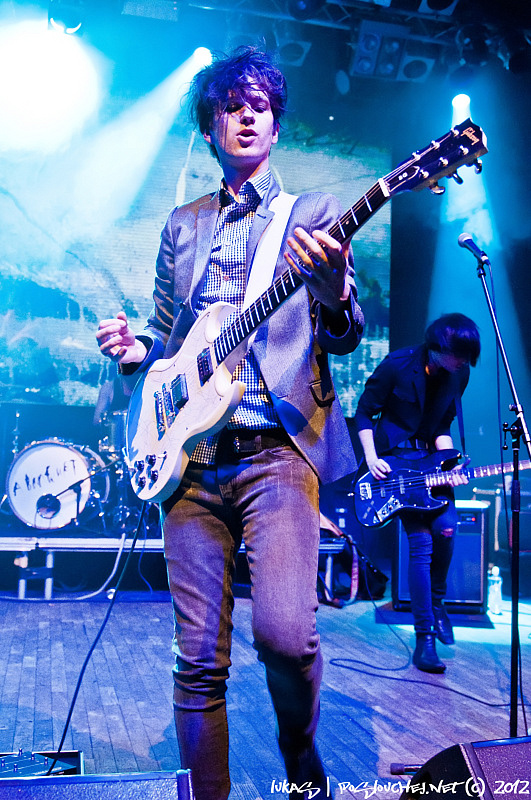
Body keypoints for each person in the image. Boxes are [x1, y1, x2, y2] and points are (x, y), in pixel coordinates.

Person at [96, 47, 364, 800]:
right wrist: (132, 350)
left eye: (261, 106)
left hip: (277, 453)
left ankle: (301, 761)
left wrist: (334, 288)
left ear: (275, 125)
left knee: (285, 636)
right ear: (212, 126)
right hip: (189, 462)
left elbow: (341, 332)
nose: (248, 116)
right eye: (231, 107)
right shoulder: (183, 226)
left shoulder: (309, 217)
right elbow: (163, 340)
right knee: (198, 660)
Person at [354, 313, 480, 674]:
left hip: (431, 464)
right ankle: (424, 639)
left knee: (448, 529)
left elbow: (442, 425)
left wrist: (450, 463)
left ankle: (436, 603)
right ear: (439, 348)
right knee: (421, 544)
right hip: (396, 465)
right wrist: (372, 458)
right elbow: (364, 413)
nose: (464, 363)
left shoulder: (460, 375)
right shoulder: (398, 365)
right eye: (459, 354)